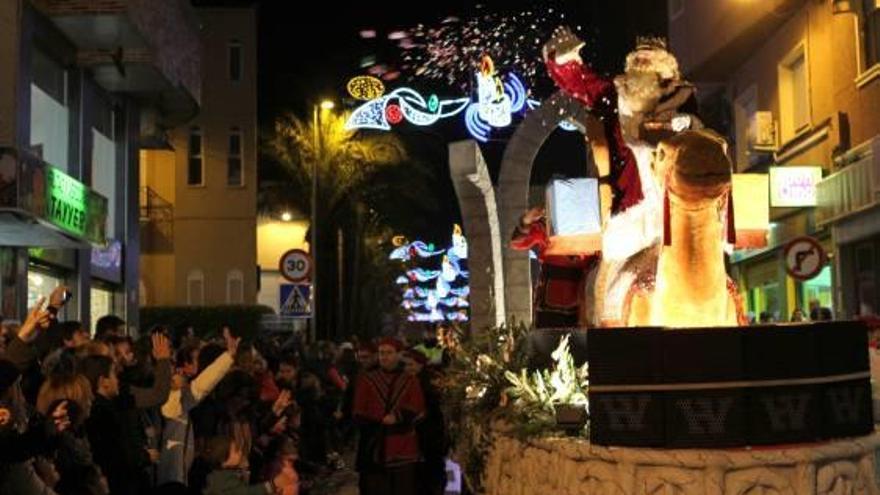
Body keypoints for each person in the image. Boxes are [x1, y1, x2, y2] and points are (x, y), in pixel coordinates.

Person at [353, 337, 425, 495]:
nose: (384, 357)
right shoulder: (367, 379)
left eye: (389, 353)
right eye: (381, 353)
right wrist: (377, 419)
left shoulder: (410, 379)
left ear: (399, 355)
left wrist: (398, 417)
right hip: (375, 446)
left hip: (403, 444)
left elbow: (417, 406)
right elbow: (359, 409)